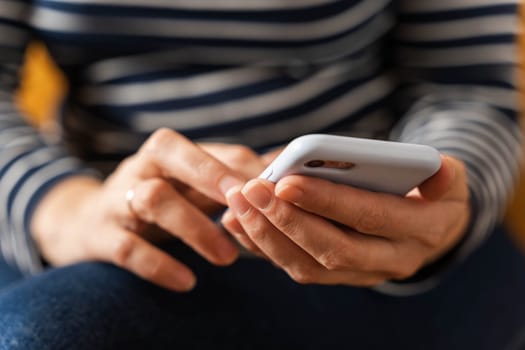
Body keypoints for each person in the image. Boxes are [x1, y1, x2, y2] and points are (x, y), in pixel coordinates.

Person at [0, 0, 524, 348]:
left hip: (380, 243)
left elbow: (469, 89)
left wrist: (440, 212)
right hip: (99, 220)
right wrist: (64, 210)